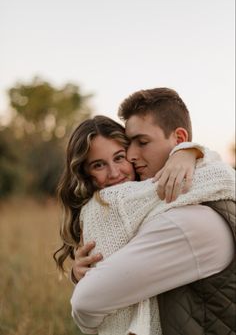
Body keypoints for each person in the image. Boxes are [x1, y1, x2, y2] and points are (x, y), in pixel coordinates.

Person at [70, 88, 235, 335]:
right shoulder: (173, 202)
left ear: (179, 139)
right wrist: (189, 152)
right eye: (130, 144)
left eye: (142, 142)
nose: (132, 155)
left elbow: (86, 303)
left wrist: (189, 151)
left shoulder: (188, 221)